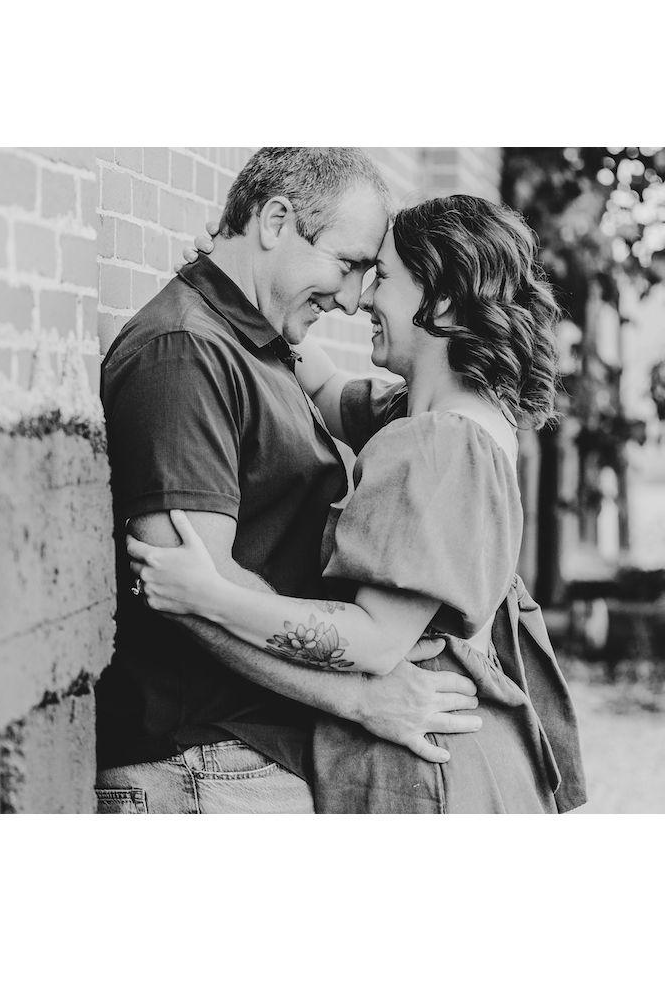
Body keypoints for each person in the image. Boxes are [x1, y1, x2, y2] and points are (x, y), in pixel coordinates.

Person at [128, 193, 587, 813]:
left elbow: (374, 643)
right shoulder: (439, 416)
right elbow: (324, 384)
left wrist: (210, 595)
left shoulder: (442, 444)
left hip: (426, 770)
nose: (364, 297)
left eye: (384, 277)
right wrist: (245, 285)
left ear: (441, 302)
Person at [95, 148, 485, 815]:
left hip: (245, 762)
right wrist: (359, 699)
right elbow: (187, 595)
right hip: (201, 765)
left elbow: (389, 403)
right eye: (348, 264)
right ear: (275, 222)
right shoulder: (183, 352)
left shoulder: (262, 347)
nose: (352, 298)